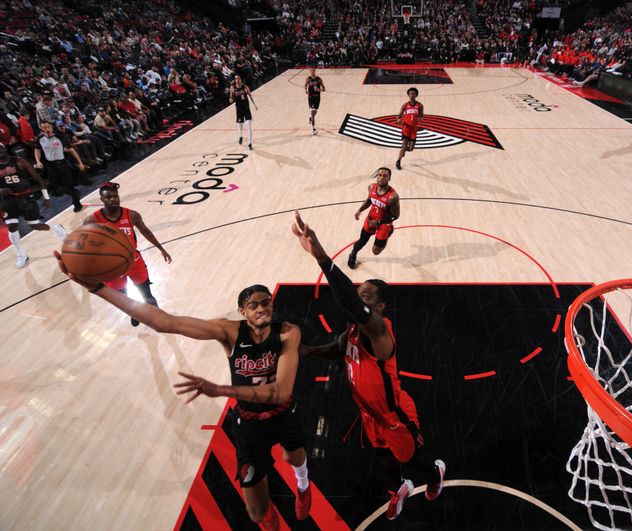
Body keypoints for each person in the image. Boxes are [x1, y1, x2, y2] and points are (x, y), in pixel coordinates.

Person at [51, 260, 312, 531]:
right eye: (254, 305)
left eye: (266, 302)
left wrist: (222, 390)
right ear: (242, 311)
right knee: (257, 513)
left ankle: (303, 486)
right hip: (249, 423)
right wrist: (98, 289)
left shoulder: (287, 332)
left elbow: (280, 392)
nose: (262, 308)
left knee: (293, 457)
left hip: (282, 414)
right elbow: (166, 323)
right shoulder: (229, 331)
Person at [291, 210, 446, 520]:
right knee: (383, 454)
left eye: (365, 295)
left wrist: (321, 256)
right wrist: (308, 351)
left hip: (394, 413)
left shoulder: (380, 330)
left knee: (411, 457)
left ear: (378, 307)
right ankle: (398, 487)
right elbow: (338, 349)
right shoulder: (351, 330)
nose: (358, 296)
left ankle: (434, 474)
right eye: (358, 291)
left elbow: (348, 299)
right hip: (367, 411)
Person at [84, 181, 172, 327]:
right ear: (102, 200)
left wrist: (161, 248)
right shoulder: (92, 220)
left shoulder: (131, 215)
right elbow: (88, 245)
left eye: (115, 196)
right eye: (108, 197)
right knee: (124, 299)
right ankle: (135, 312)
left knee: (148, 296)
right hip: (112, 267)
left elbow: (145, 231)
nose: (112, 199)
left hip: (134, 261)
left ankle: (161, 321)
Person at [1, 143, 68, 268]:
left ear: (4, 148)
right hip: (8, 200)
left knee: (35, 226)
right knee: (12, 226)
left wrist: (46, 197)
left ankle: (56, 228)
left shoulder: (19, 161)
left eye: (0, 148)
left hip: (26, 197)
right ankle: (22, 254)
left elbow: (37, 178)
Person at [347, 167, 399, 269]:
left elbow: (395, 216)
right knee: (361, 241)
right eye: (380, 175)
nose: (382, 178)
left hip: (384, 223)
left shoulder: (393, 196)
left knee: (375, 252)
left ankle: (389, 232)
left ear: (389, 178)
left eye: (385, 176)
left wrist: (379, 222)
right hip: (371, 219)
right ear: (377, 176)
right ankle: (353, 254)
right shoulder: (371, 187)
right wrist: (360, 210)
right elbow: (369, 201)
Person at [33, 121, 85, 212]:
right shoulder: (40, 138)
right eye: (44, 127)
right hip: (50, 165)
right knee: (55, 186)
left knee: (69, 184)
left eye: (47, 127)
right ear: (41, 129)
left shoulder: (60, 137)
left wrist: (80, 162)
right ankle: (70, 191)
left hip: (62, 163)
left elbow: (71, 150)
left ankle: (77, 203)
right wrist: (38, 161)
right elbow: (37, 149)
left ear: (51, 127)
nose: (46, 129)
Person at [396, 87, 424, 170]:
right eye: (410, 93)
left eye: (413, 93)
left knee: (411, 149)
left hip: (414, 129)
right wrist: (398, 120)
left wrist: (421, 118)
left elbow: (422, 115)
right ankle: (398, 161)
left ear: (416, 95)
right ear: (408, 95)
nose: (412, 95)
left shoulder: (420, 105)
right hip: (406, 128)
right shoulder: (405, 105)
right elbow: (399, 115)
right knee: (404, 146)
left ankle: (403, 151)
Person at [229, 74, 258, 150]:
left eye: (238, 78)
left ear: (241, 79)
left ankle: (250, 143)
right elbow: (231, 97)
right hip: (239, 109)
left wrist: (254, 105)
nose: (237, 80)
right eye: (236, 79)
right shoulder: (232, 88)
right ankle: (241, 136)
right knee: (240, 125)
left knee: (249, 126)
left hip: (246, 108)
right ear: (235, 80)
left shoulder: (245, 87)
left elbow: (250, 96)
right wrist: (231, 100)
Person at [304, 68, 326, 135]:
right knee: (313, 113)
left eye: (313, 70)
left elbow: (324, 89)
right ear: (310, 71)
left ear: (315, 71)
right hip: (311, 97)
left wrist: (318, 89)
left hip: (317, 97)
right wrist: (305, 90)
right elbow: (305, 85)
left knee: (315, 111)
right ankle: (313, 129)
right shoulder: (308, 79)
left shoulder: (319, 79)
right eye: (311, 71)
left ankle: (311, 116)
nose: (312, 72)